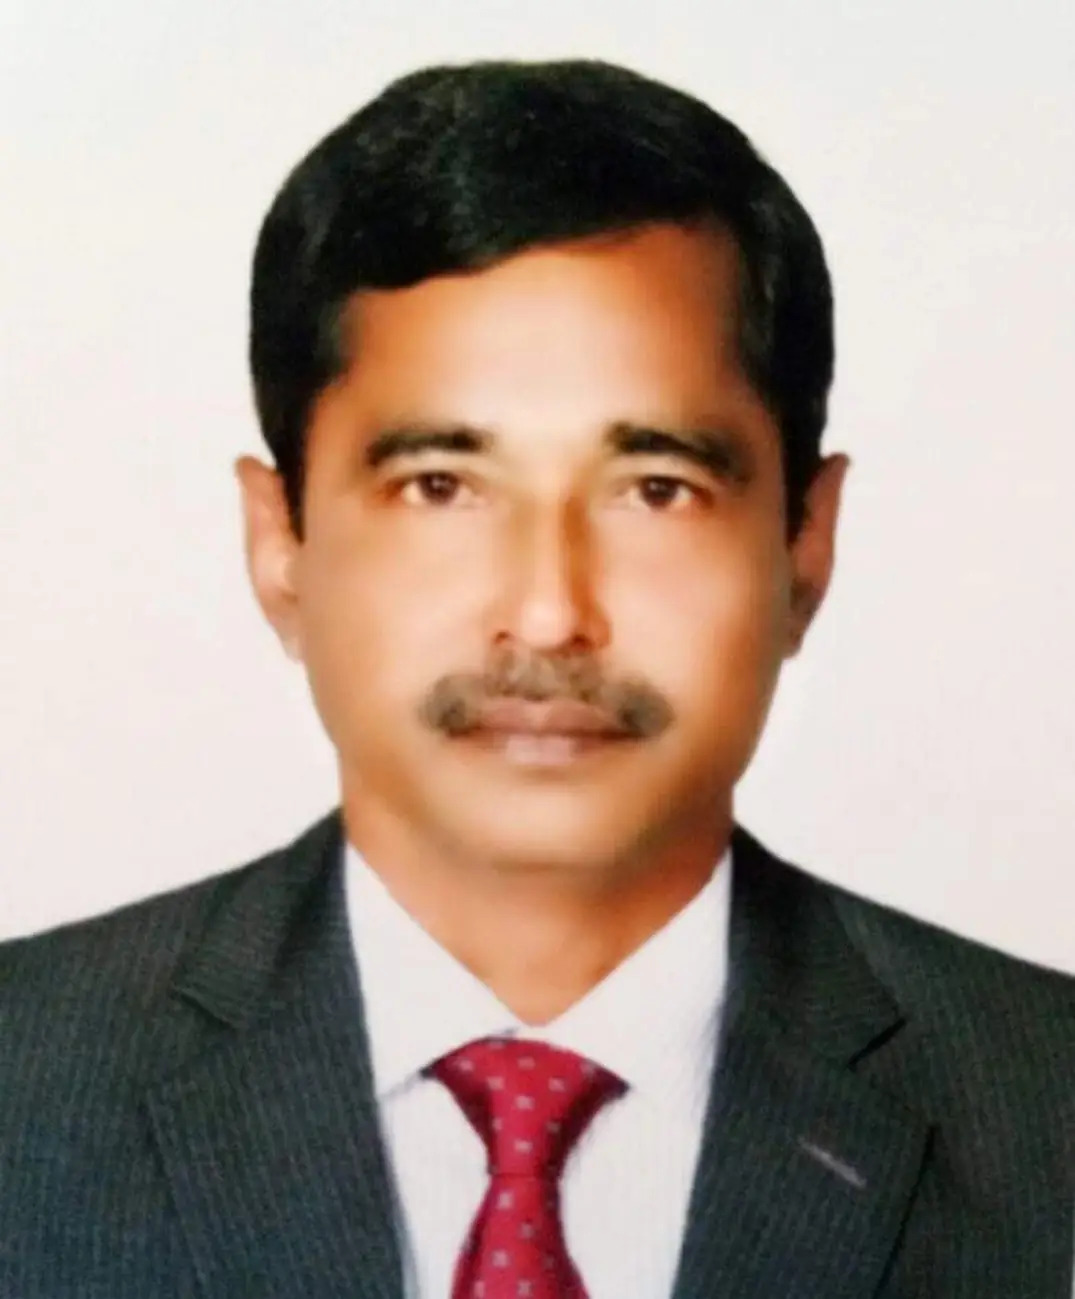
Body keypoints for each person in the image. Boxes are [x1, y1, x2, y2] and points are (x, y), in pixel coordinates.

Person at [1, 58, 1072, 1299]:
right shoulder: (25, 1089)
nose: (551, 613)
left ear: (804, 548)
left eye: (656, 490)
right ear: (280, 545)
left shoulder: (1042, 1108)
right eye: (440, 487)